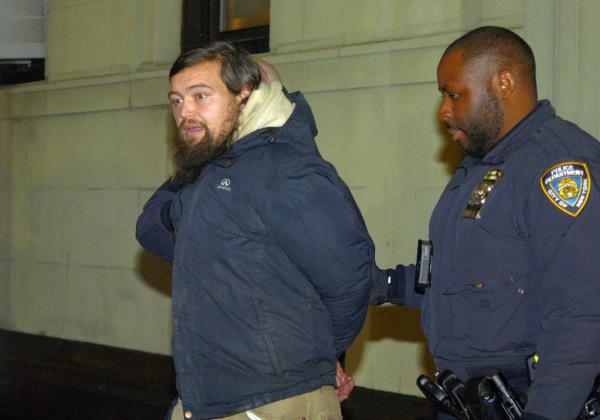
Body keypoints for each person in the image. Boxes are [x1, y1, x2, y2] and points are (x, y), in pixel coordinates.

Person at [136, 41, 379, 419]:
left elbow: (350, 283)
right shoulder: (211, 176)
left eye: (201, 96)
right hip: (209, 399)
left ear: (248, 95)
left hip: (273, 402)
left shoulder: (286, 169)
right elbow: (151, 227)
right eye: (177, 100)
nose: (185, 112)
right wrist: (193, 164)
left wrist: (314, 357)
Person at [371, 26, 600, 419]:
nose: (443, 111)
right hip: (467, 402)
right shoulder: (480, 167)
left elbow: (580, 315)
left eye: (453, 94)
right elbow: (463, 276)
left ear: (503, 83)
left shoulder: (559, 169)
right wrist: (385, 285)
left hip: (529, 403)